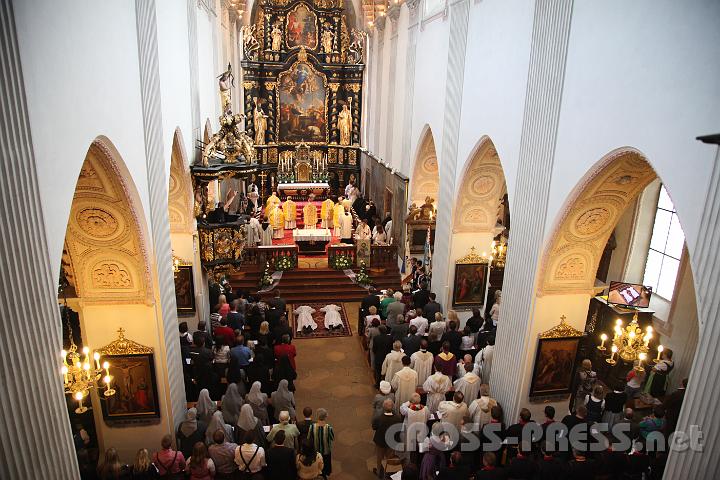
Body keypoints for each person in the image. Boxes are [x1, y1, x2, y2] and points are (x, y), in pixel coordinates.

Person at [372, 399, 402, 478]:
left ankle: (379, 472)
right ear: (392, 407)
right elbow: (399, 429)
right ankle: (388, 473)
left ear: (383, 408)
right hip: (392, 442)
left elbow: (374, 427)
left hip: (380, 441)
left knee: (380, 457)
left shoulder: (379, 418)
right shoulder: (398, 418)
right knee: (390, 458)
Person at [307, 408, 334, 478]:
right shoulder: (329, 428)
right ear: (325, 417)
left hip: (316, 451)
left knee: (318, 464)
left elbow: (308, 438)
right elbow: (332, 438)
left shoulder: (312, 427)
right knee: (326, 464)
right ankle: (325, 475)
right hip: (326, 451)